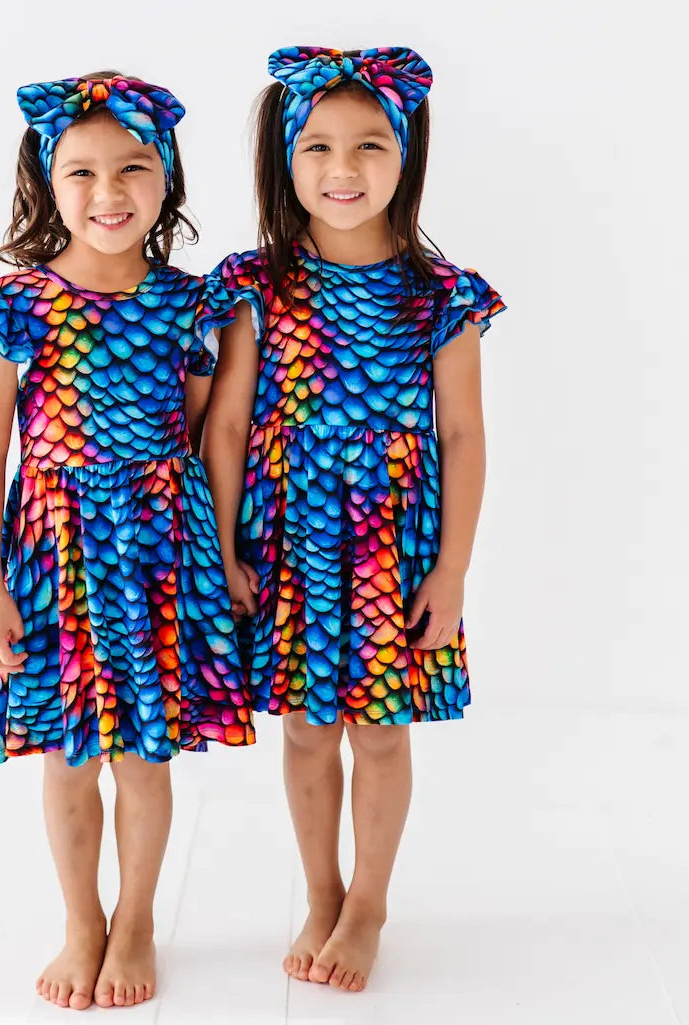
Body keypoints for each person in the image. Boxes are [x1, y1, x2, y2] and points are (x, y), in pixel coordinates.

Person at [200, 46, 507, 993]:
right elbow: (225, 427)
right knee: (303, 727)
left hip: (389, 550)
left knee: (378, 730)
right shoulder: (255, 284)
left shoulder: (441, 295)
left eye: (370, 145)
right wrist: (221, 549)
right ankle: (322, 891)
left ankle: (368, 902)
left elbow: (462, 434)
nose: (343, 169)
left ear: (406, 155)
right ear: (283, 158)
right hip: (288, 544)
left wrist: (451, 569)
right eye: (318, 146)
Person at [0, 71, 254, 1011]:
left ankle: (137, 920)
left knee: (143, 754)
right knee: (68, 753)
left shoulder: (191, 305)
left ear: (167, 179)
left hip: (159, 553)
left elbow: (203, 438)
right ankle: (82, 918)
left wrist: (222, 557)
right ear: (47, 182)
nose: (108, 192)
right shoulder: (14, 304)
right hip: (55, 554)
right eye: (80, 171)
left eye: (133, 168)